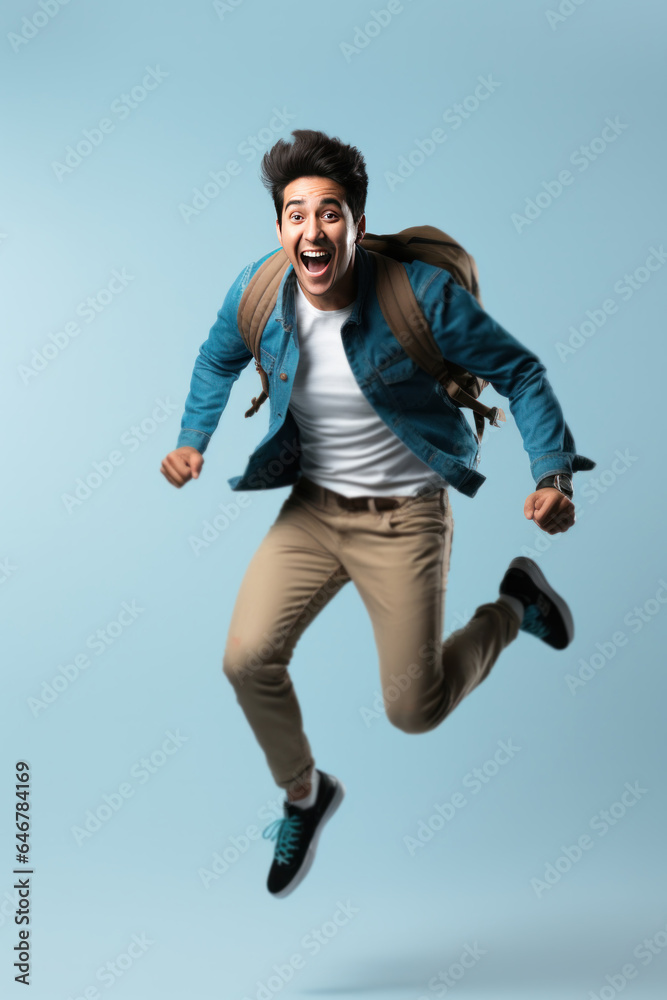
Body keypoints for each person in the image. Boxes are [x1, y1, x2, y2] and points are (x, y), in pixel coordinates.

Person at [160, 129, 595, 899]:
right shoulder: (259, 291)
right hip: (314, 511)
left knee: (414, 710)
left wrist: (552, 474)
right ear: (278, 229)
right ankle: (305, 794)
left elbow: (520, 372)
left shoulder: (419, 299)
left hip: (405, 518)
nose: (312, 230)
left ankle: (512, 606)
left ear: (356, 224)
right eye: (296, 215)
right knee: (245, 659)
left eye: (330, 213)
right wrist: (192, 440)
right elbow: (215, 356)